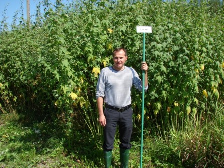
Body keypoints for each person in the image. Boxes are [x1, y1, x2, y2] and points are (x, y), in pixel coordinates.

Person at [96, 47, 148, 168]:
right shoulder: (105, 72)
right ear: (113, 58)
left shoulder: (130, 71)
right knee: (108, 143)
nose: (118, 60)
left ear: (126, 58)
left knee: (126, 142)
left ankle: (124, 166)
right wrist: (101, 114)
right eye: (116, 57)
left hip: (126, 112)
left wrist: (145, 73)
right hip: (110, 112)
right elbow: (99, 94)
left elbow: (143, 88)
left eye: (121, 57)